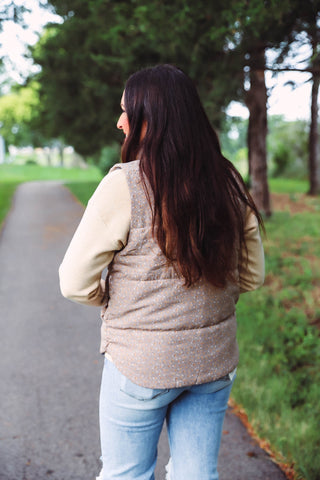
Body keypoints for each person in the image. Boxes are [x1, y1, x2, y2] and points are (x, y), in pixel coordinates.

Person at [59, 64, 264, 480]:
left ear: (152, 119)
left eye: (126, 112)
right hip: (213, 360)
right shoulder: (228, 182)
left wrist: (109, 300)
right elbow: (251, 276)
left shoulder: (125, 186)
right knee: (197, 474)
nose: (119, 123)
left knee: (126, 474)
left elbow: (73, 282)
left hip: (140, 364)